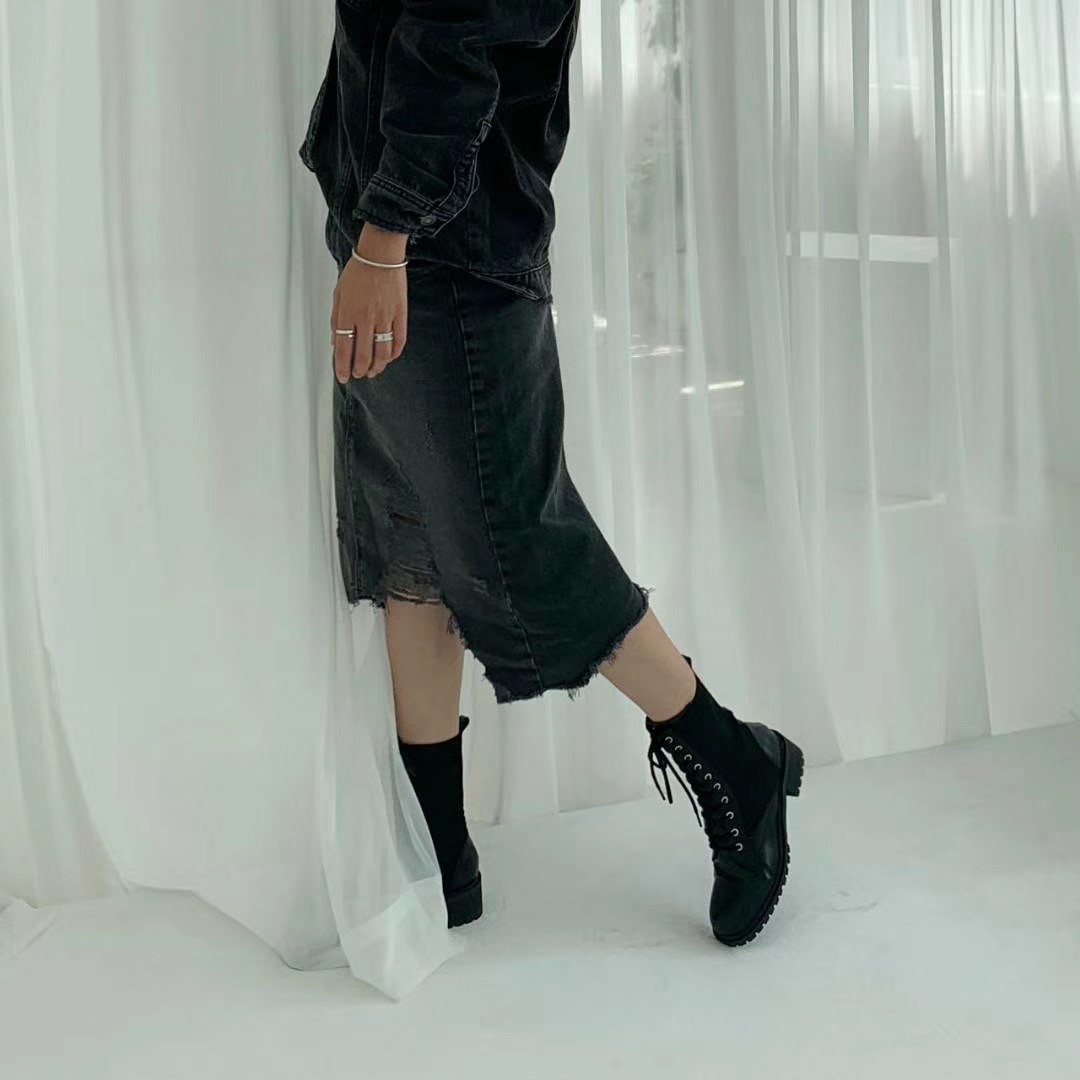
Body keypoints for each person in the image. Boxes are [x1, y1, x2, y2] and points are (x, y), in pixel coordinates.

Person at [298, 0, 803, 945]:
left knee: (519, 539)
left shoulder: (403, 235)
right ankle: (440, 851)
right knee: (413, 539)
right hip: (388, 226)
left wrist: (385, 235)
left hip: (440, 246)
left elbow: (453, 36)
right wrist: (369, 223)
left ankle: (738, 764)